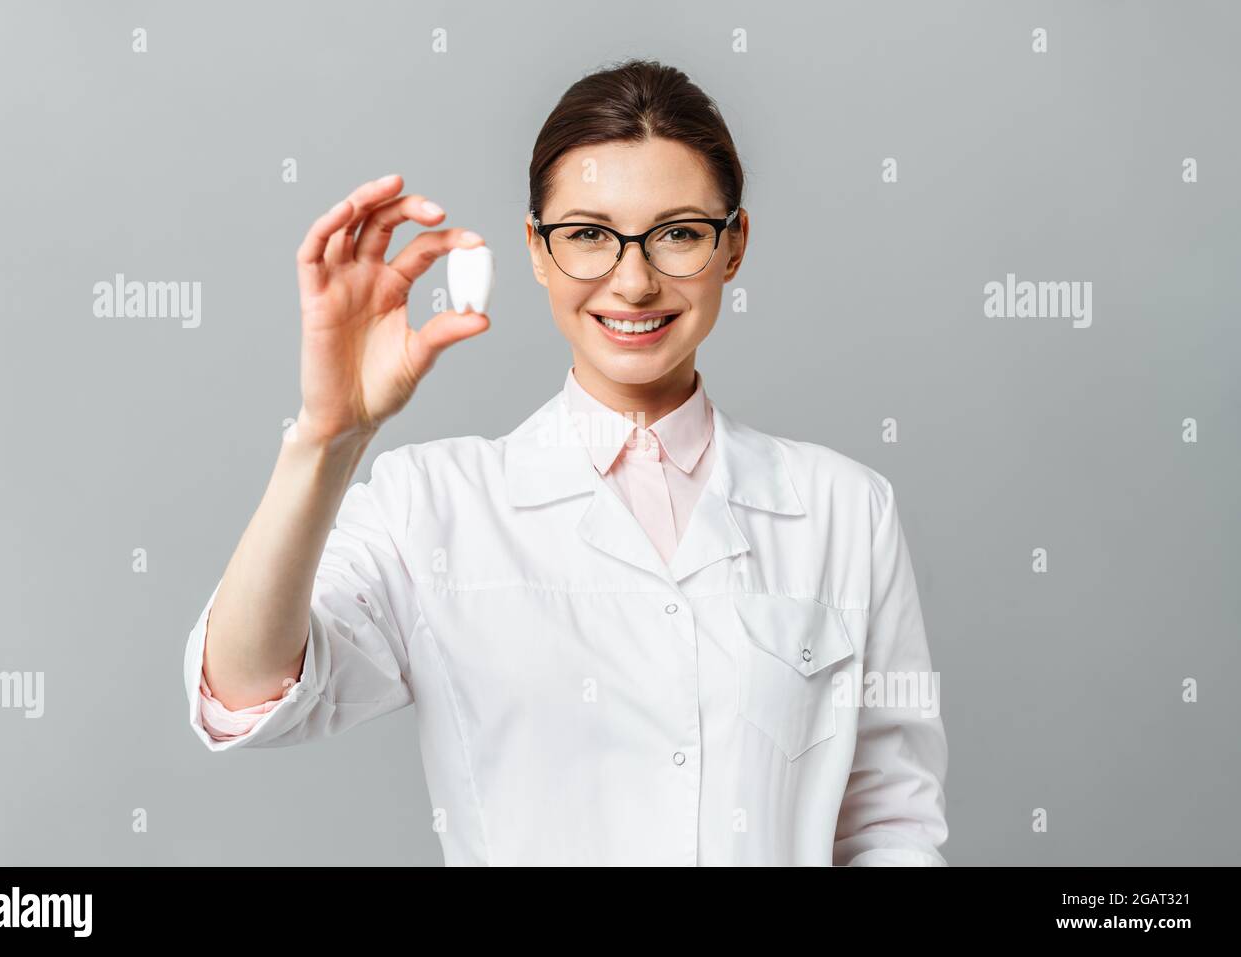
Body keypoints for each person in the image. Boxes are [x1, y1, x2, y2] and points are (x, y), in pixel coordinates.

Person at [183, 58, 949, 866]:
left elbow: (889, 826)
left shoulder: (845, 510)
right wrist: (325, 439)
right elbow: (243, 690)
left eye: (679, 233)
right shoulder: (434, 504)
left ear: (734, 247)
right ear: (537, 251)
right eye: (588, 234)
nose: (634, 280)